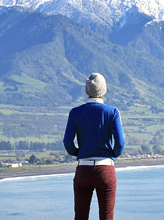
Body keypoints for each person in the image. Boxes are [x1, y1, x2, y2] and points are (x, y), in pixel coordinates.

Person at [63, 72, 125, 220]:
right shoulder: (112, 112)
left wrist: (80, 153)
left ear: (87, 90)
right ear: (104, 90)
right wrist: (113, 155)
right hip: (105, 169)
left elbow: (67, 142)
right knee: (107, 216)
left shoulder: (75, 112)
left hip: (83, 168)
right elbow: (120, 143)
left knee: (81, 216)